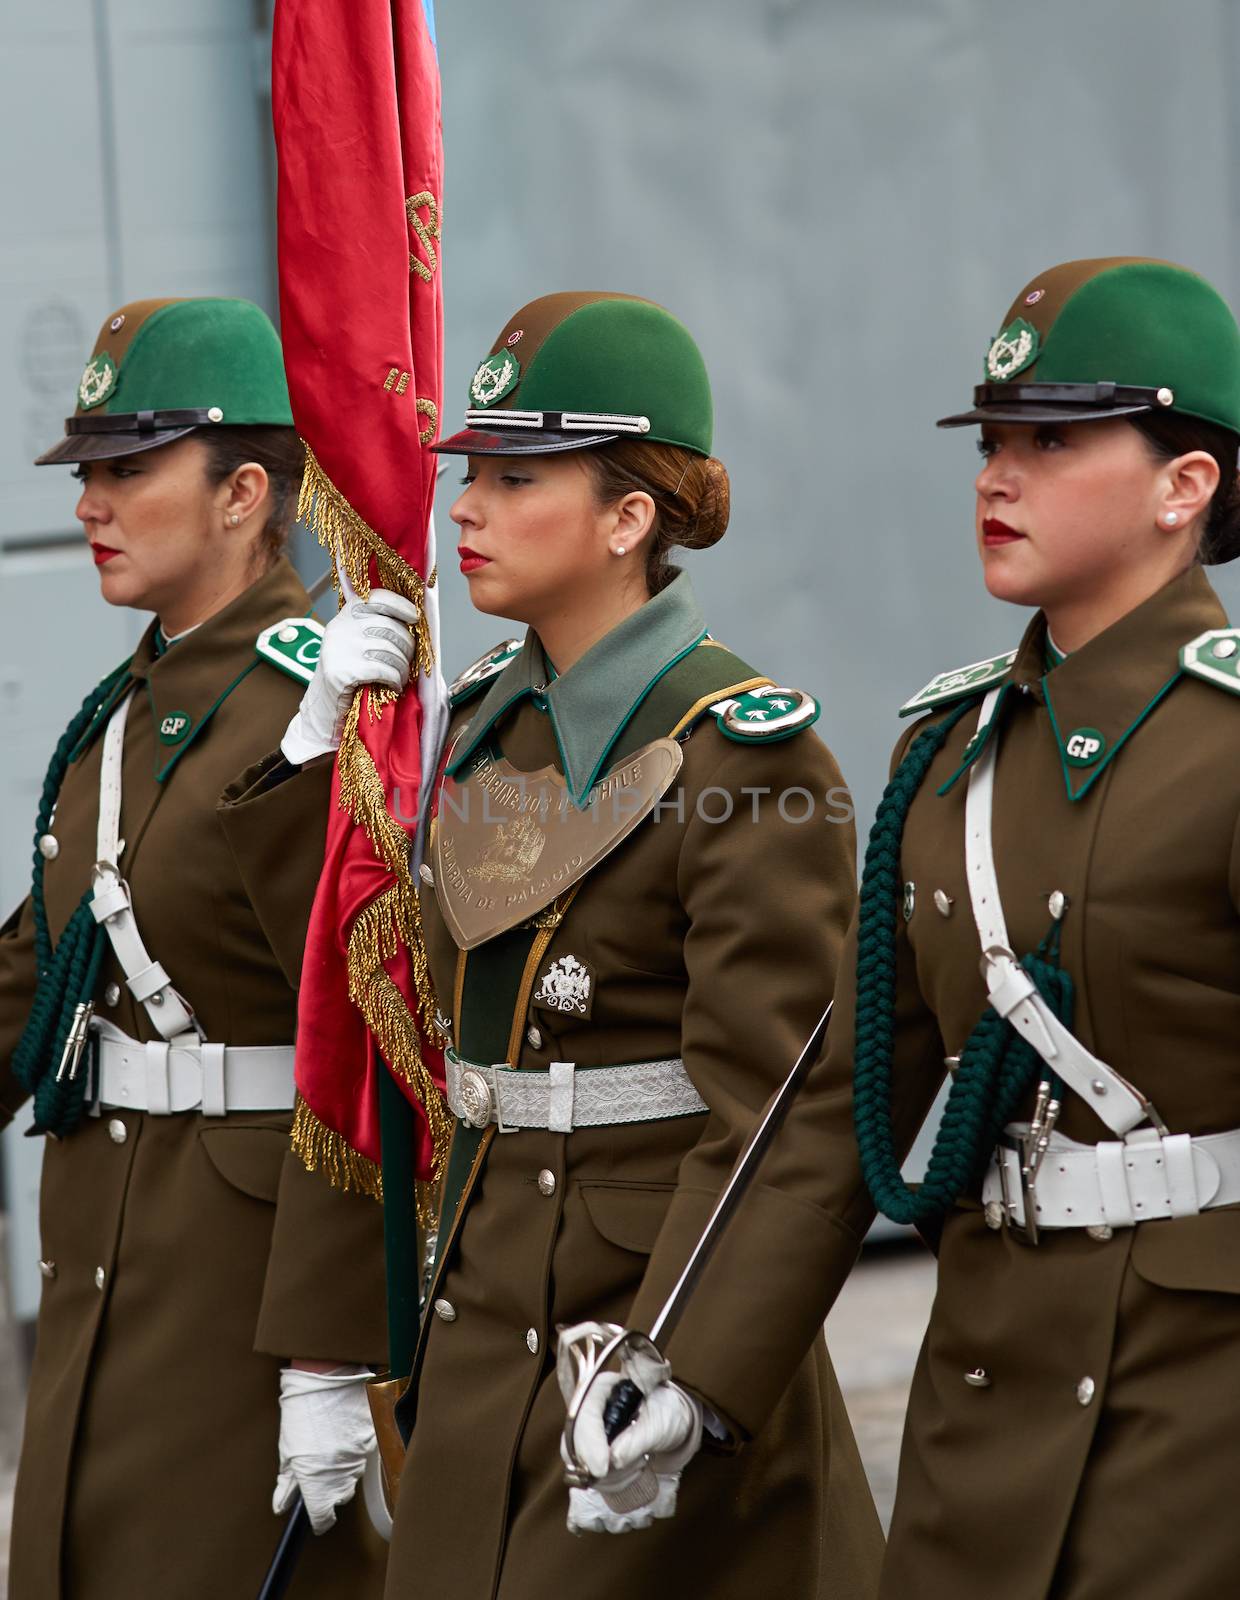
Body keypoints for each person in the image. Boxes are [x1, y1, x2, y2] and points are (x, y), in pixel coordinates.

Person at [267, 289, 884, 1598]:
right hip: (481, 1328)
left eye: (516, 476)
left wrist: (687, 1368)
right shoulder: (481, 721)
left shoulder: (745, 755)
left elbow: (781, 1119)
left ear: (628, 518)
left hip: (641, 1347)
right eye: (470, 474)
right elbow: (366, 1012)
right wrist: (317, 765)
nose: (469, 508)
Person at [704, 255, 1240, 1600]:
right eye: (993, 443)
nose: (997, 477)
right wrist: (703, 1379)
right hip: (978, 1396)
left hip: (1198, 1417)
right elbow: (844, 1103)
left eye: (1053, 442)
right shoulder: (947, 757)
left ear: (1187, 486)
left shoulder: (1229, 752)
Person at [0, 296, 395, 1597]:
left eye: (128, 470)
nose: (93, 502)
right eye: (89, 473)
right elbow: (38, 979)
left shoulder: (322, 705)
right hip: (106, 1280)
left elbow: (377, 1042)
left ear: (242, 493)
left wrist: (330, 1352)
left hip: (246, 1306)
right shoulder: (120, 718)